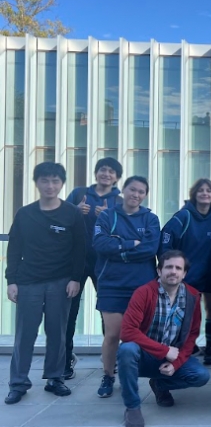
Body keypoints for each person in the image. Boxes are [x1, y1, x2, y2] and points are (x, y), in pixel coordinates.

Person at [4, 162, 85, 405]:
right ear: (37, 183)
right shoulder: (25, 214)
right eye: (45, 180)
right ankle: (18, 383)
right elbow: (14, 248)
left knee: (57, 333)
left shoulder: (72, 213)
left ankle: (55, 378)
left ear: (62, 184)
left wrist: (75, 279)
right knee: (25, 335)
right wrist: (11, 281)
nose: (50, 185)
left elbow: (80, 249)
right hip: (28, 282)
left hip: (61, 282)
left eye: (55, 181)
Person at [116, 250, 210, 427]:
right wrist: (164, 351)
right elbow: (127, 332)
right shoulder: (143, 293)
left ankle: (160, 385)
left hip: (170, 358)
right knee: (126, 349)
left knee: (201, 376)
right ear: (159, 271)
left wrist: (176, 364)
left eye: (178, 268)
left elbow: (191, 336)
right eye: (168, 267)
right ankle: (132, 407)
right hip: (144, 355)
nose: (173, 271)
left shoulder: (193, 296)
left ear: (184, 273)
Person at [93, 176, 161, 398]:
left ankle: (128, 376)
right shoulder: (107, 215)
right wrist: (130, 244)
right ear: (123, 190)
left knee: (134, 336)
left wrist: (118, 250)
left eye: (141, 192)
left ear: (145, 195)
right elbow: (100, 244)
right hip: (111, 284)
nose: (136, 194)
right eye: (133, 189)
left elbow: (149, 250)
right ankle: (108, 376)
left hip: (141, 285)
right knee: (113, 334)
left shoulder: (150, 219)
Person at [64, 157, 124, 380]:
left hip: (105, 264)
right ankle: (66, 359)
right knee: (69, 312)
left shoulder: (119, 201)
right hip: (76, 262)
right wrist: (74, 210)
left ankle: (109, 359)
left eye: (111, 171)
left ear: (116, 177)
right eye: (102, 170)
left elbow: (124, 231)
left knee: (108, 313)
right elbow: (59, 218)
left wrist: (108, 217)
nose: (106, 174)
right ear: (96, 173)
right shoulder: (78, 194)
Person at [159, 179, 211, 365]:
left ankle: (209, 349)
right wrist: (170, 268)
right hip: (188, 275)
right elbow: (165, 241)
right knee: (186, 314)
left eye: (208, 191)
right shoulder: (183, 216)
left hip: (210, 272)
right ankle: (184, 350)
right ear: (194, 194)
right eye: (201, 190)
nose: (205, 193)